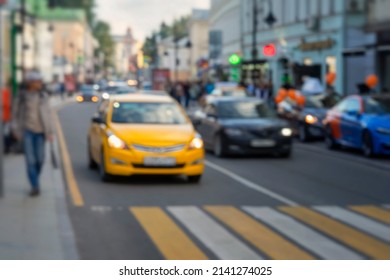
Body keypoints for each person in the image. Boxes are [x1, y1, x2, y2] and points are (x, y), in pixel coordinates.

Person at [12, 71, 54, 197]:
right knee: (30, 161)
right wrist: (16, 130)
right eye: (38, 81)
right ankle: (35, 186)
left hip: (41, 132)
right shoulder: (22, 96)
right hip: (27, 132)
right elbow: (15, 114)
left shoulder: (43, 96)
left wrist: (50, 132)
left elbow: (48, 114)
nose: (40, 83)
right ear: (30, 83)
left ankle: (34, 178)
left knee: (40, 160)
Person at [2, 86, 12, 154]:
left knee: (6, 133)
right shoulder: (6, 92)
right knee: (6, 133)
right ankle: (7, 147)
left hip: (6, 116)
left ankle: (7, 147)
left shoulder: (6, 92)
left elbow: (6, 104)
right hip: (6, 116)